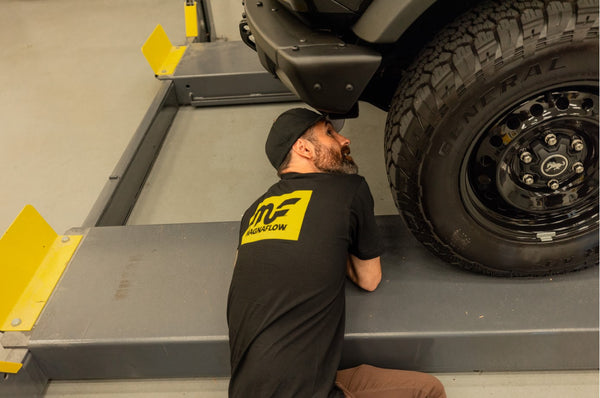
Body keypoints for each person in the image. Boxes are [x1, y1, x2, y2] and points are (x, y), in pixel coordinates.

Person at [227, 108, 446, 398]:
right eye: (329, 133)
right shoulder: (348, 189)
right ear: (303, 148)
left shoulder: (253, 211)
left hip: (245, 390)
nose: (344, 139)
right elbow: (369, 278)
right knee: (429, 390)